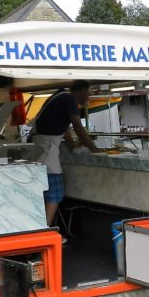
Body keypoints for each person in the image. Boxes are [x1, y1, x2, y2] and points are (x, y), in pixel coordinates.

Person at [32, 80, 103, 228]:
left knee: (45, 192)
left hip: (40, 147)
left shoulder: (60, 95)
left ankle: (41, 230)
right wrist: (96, 150)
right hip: (47, 149)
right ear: (82, 90)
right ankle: (43, 232)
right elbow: (78, 127)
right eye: (88, 93)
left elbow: (65, 129)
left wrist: (73, 146)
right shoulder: (70, 99)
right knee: (55, 193)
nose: (88, 97)